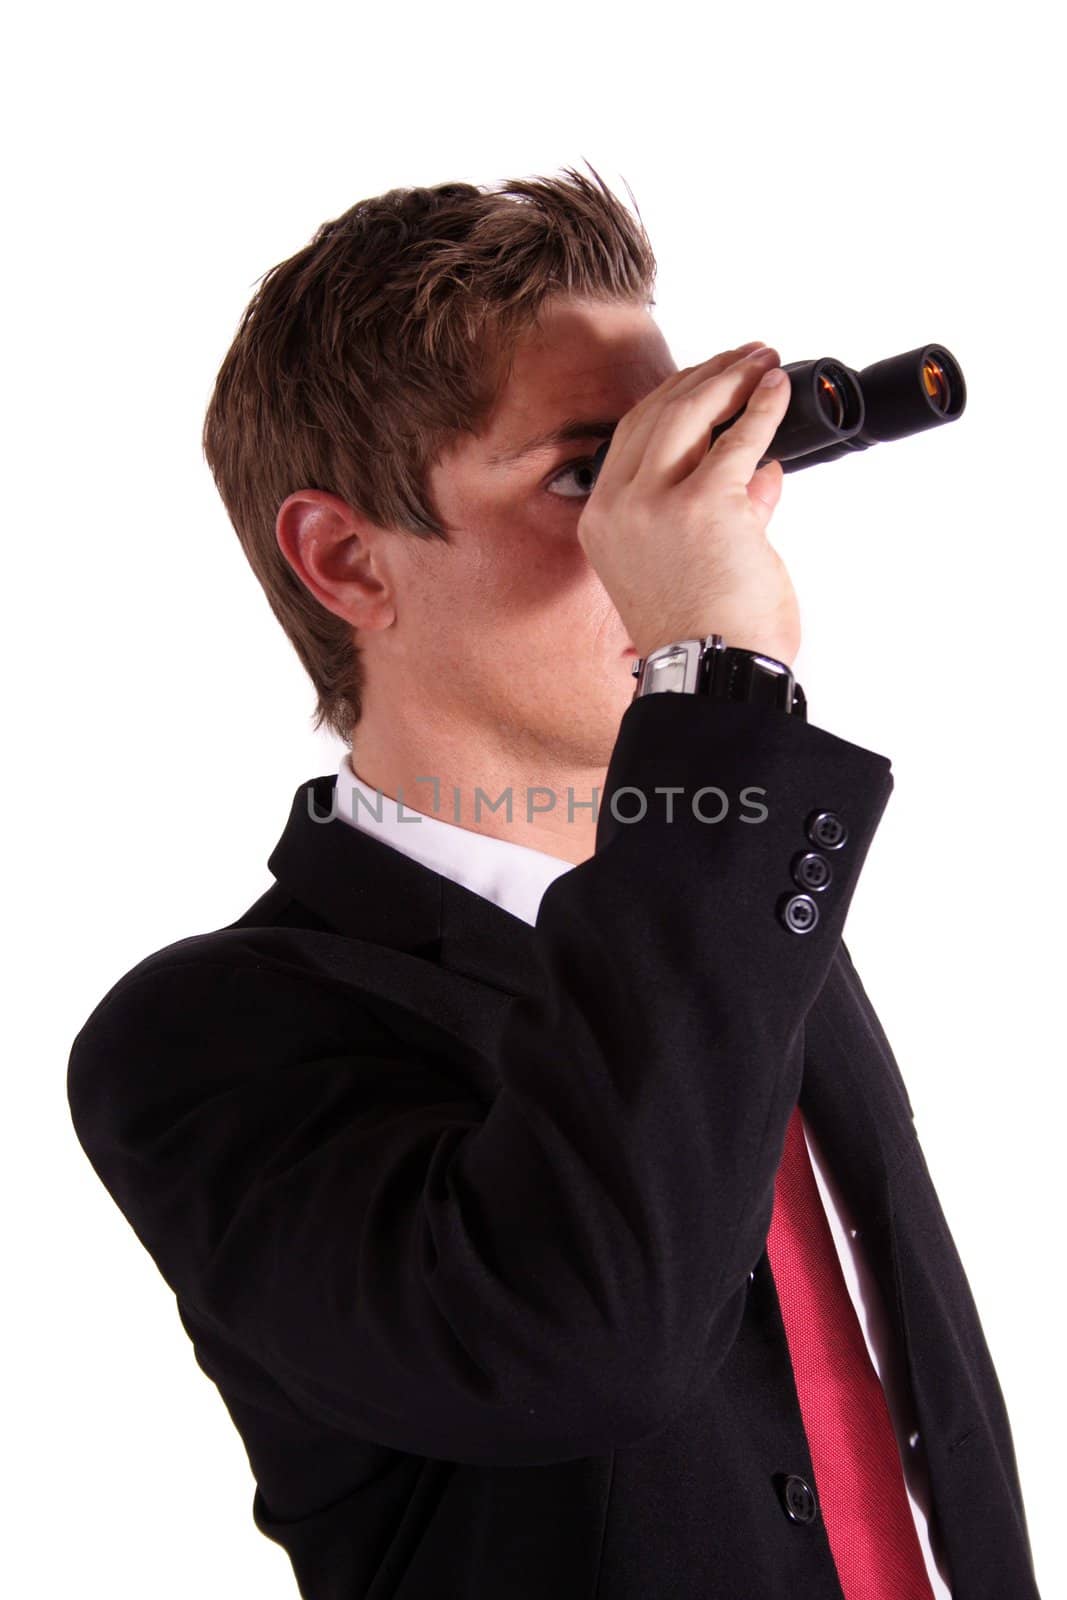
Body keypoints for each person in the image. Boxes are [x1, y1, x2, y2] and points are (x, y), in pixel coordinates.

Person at [66, 164, 1041, 1599]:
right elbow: (590, 1348)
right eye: (595, 477)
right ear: (348, 561)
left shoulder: (761, 930)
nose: (692, 539)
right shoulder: (206, 1041)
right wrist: (707, 679)